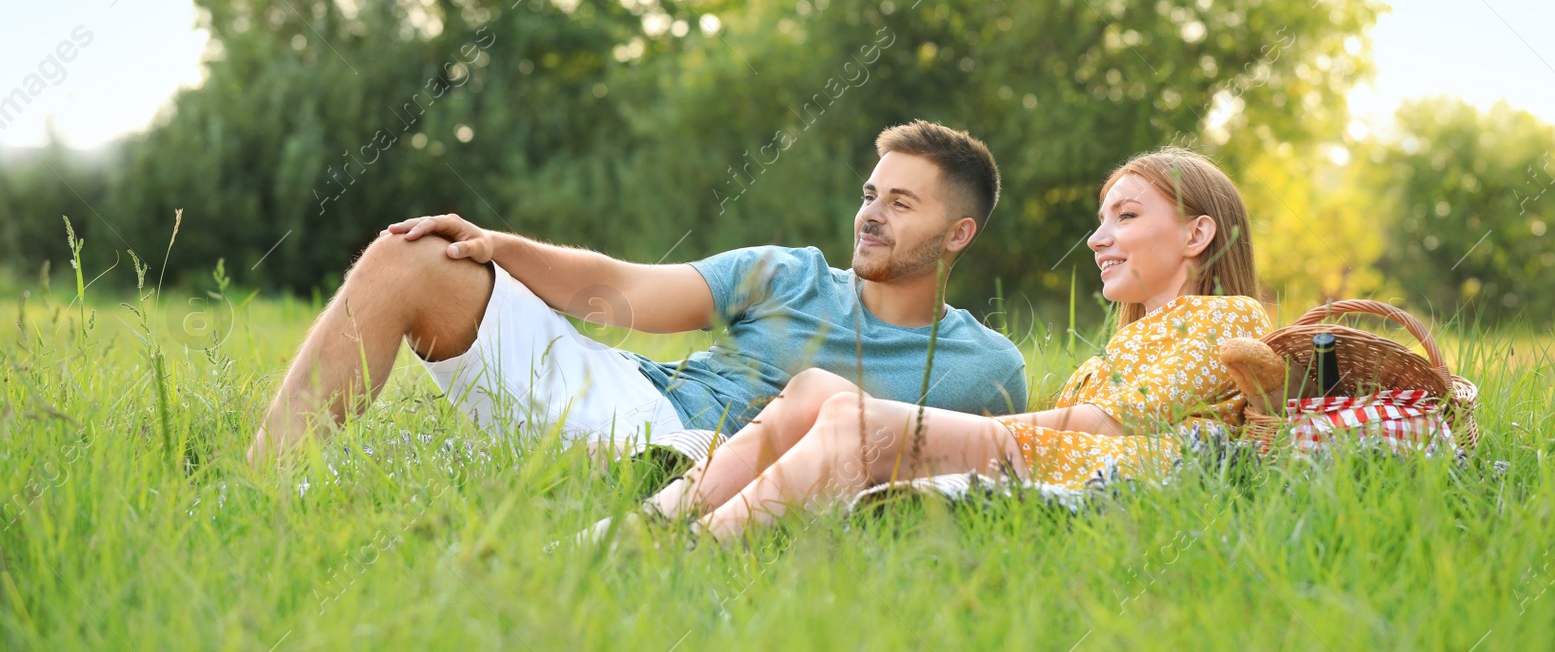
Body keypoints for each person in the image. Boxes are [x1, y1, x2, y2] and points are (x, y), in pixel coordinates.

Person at [247, 120, 1027, 464]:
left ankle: (623, 489)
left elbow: (986, 476)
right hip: (632, 402)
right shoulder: (785, 273)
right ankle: (267, 482)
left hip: (728, 467)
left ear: (957, 234)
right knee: (411, 252)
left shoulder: (983, 369)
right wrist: (500, 246)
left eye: (901, 202)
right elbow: (619, 290)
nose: (870, 215)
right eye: (869, 193)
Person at [601, 146, 1274, 542]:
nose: (1098, 238)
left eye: (1125, 217)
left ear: (1197, 235)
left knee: (856, 420)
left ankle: (693, 550)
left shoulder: (1229, 318)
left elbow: (1111, 424)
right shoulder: (1130, 342)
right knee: (813, 389)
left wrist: (927, 427)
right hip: (1058, 453)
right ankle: (640, 526)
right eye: (1102, 220)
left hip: (1100, 467)